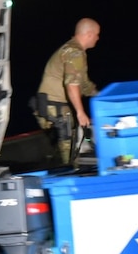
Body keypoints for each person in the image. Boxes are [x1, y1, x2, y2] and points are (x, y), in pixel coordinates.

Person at [34, 18, 100, 167]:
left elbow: (84, 84)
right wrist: (80, 112)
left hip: (53, 105)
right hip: (56, 106)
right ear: (89, 34)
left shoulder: (73, 50)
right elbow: (71, 84)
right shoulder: (74, 51)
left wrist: (101, 96)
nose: (98, 38)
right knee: (70, 148)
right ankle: (71, 177)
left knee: (70, 145)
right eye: (97, 34)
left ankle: (67, 168)